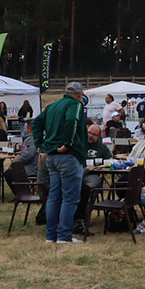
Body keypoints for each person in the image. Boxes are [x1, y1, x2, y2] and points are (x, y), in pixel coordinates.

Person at [33, 82, 89, 244]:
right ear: (80, 94)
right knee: (70, 198)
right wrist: (68, 143)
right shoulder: (75, 105)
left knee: (54, 197)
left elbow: (36, 123)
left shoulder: (52, 106)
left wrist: (40, 143)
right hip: (69, 156)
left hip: (51, 156)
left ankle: (51, 235)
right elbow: (71, 120)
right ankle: (64, 235)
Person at [75, 123, 112, 228]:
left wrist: (101, 165)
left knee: (93, 185)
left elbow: (109, 161)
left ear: (99, 136)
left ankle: (84, 218)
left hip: (92, 176)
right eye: (89, 133)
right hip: (77, 174)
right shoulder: (78, 144)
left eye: (94, 134)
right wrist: (85, 169)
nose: (90, 136)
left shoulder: (102, 148)